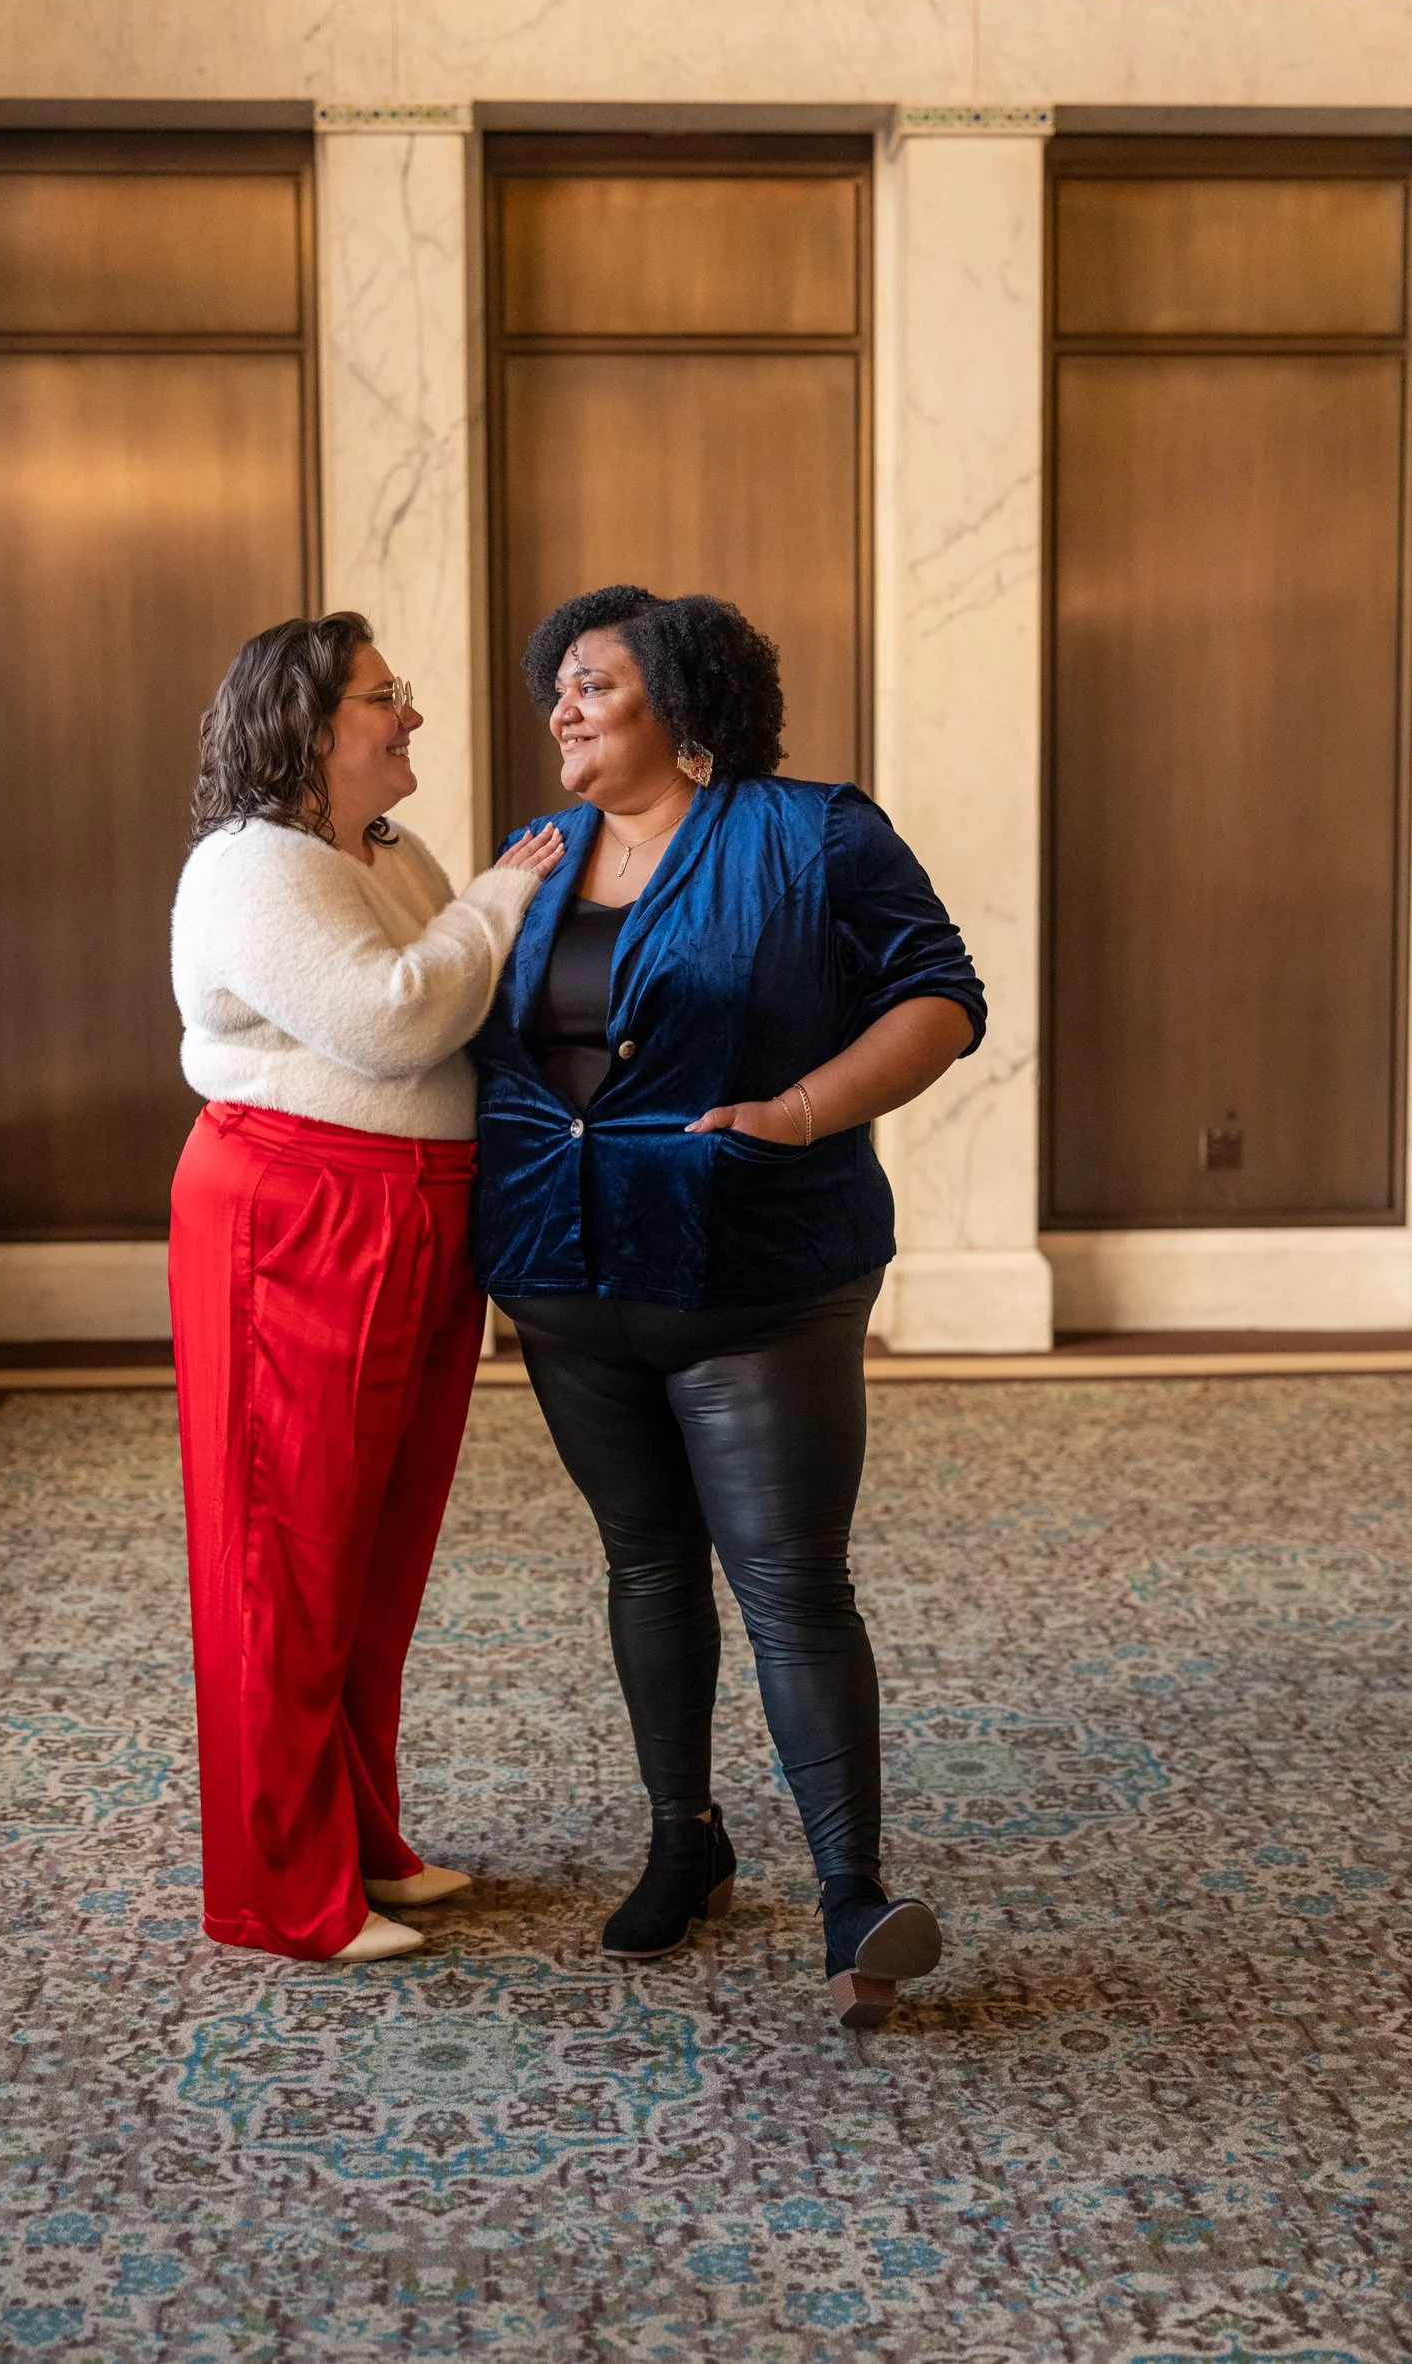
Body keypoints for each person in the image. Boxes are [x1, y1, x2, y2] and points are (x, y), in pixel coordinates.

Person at [472, 587, 986, 2026]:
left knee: (787, 1583)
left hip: (756, 1272)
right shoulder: (534, 856)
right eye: (554, 687)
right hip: (564, 1273)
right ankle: (683, 1841)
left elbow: (942, 997)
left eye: (590, 685)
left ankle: (850, 1899)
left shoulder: (813, 832)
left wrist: (805, 1107)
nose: (559, 711)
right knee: (644, 1565)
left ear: (679, 703)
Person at [169, 611, 563, 1962]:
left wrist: (478, 908)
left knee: (374, 1554)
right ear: (305, 722)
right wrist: (499, 899)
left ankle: (356, 1833)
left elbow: (454, 994)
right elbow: (397, 1019)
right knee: (283, 1552)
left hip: (411, 1217)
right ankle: (280, 1889)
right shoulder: (250, 865)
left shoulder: (392, 856)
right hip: (293, 1213)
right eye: (382, 698)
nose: (408, 717)